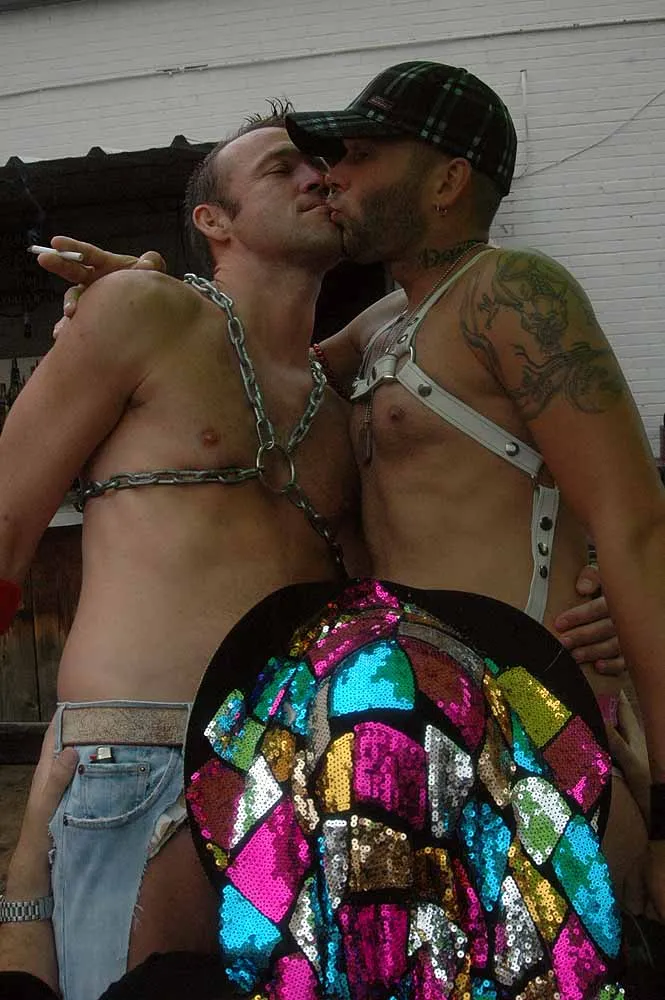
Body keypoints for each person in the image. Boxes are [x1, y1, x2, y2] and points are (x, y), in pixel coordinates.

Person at [0, 107, 366, 1000]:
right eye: (282, 168)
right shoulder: (143, 312)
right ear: (214, 221)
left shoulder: (342, 398)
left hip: (305, 768)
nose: (317, 177)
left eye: (323, 165)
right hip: (138, 754)